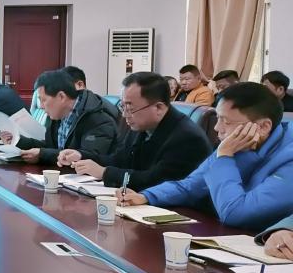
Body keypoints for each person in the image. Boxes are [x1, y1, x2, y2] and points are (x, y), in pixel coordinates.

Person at [118, 82, 293, 230]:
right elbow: (190, 186)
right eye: (218, 118)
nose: (217, 128)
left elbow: (235, 213)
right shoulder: (238, 145)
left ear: (263, 127)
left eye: (226, 121)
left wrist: (224, 157)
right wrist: (147, 196)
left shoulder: (287, 159)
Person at [57, 72, 212, 191]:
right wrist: (82, 155)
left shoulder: (186, 138)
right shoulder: (141, 125)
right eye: (123, 107)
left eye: (130, 108)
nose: (125, 115)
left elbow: (155, 181)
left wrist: (104, 173)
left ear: (158, 107)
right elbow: (119, 160)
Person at [12, 69, 118, 165]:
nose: (41, 106)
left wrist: (42, 154)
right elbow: (51, 146)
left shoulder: (98, 118)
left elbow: (87, 157)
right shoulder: (59, 113)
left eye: (43, 100)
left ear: (61, 97)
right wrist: (18, 141)